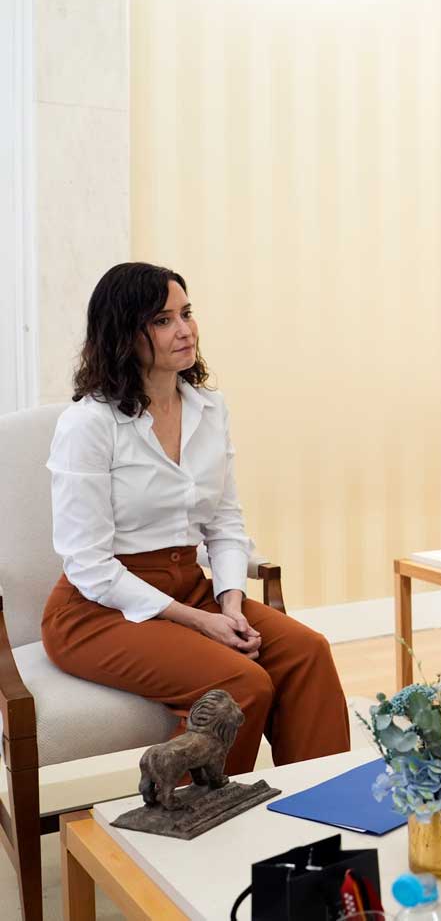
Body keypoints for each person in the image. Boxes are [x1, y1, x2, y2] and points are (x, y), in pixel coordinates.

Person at [42, 262, 350, 775]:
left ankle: (318, 802)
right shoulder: (88, 425)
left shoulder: (209, 408)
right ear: (123, 334)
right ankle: (189, 812)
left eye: (187, 313)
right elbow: (88, 566)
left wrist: (230, 604)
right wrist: (202, 621)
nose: (185, 330)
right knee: (240, 684)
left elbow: (225, 524)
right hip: (97, 611)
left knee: (307, 652)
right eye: (163, 320)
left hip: (190, 587)